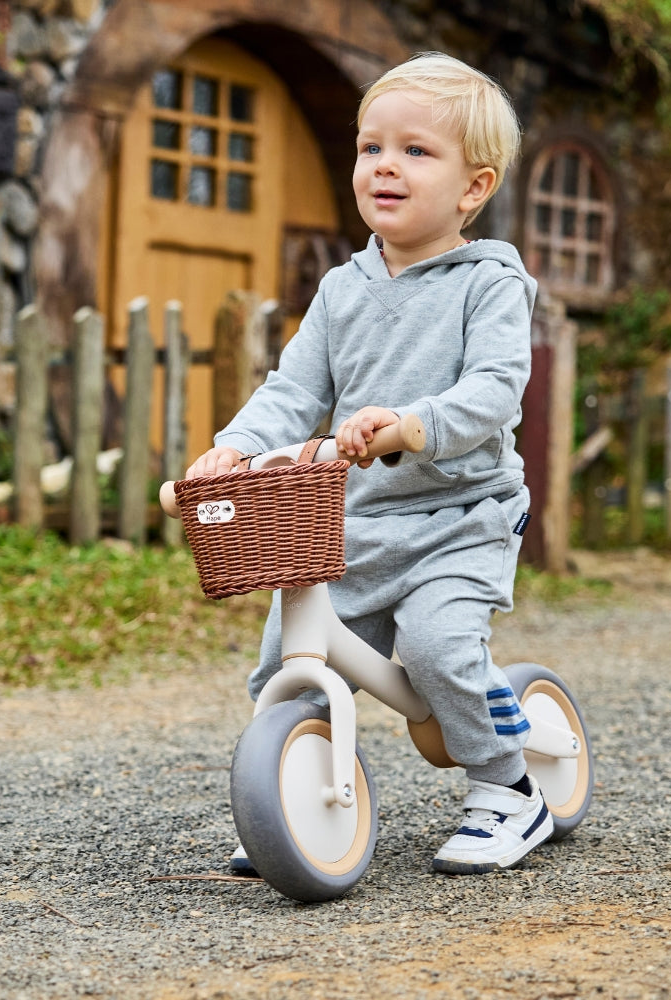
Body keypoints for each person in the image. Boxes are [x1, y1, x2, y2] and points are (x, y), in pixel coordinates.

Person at [187, 51, 548, 875]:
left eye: (416, 151)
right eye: (370, 147)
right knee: (289, 650)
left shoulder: (489, 281)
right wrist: (235, 447)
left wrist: (412, 425)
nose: (385, 164)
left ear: (473, 189)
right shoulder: (342, 289)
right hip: (354, 521)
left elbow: (495, 391)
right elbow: (293, 389)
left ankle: (509, 790)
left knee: (437, 648)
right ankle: (292, 789)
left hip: (462, 514)